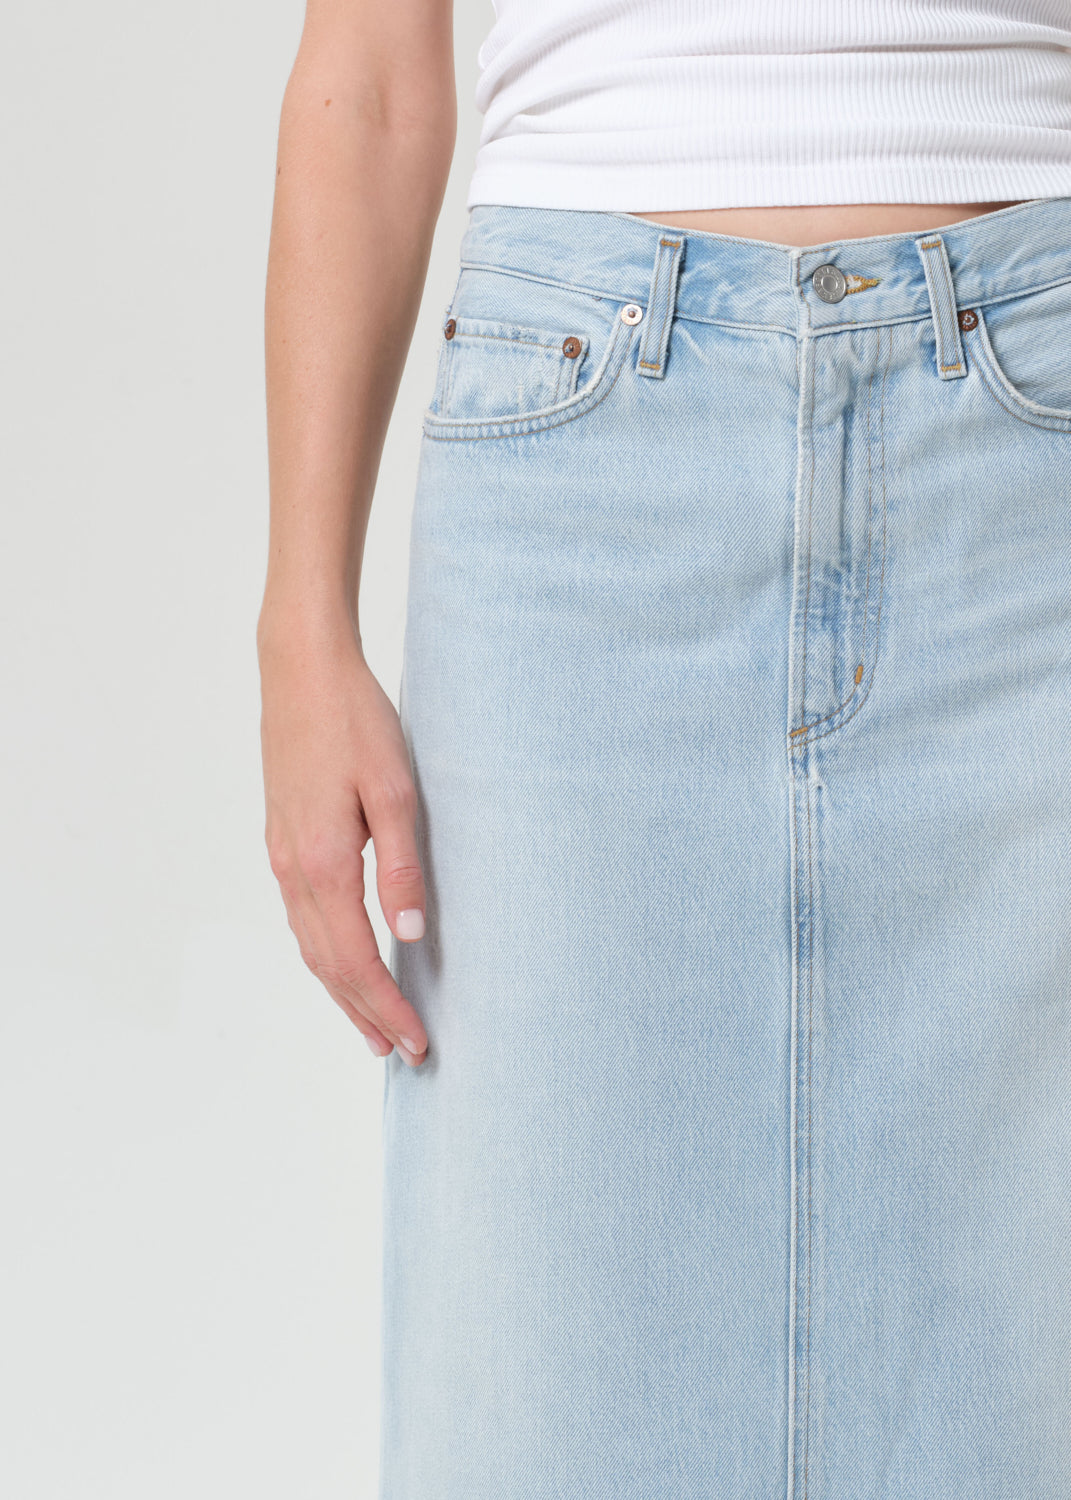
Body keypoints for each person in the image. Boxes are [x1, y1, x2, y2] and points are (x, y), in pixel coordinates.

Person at [258, 2, 1071, 1496]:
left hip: (1033, 455)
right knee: (543, 1370)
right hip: (580, 453)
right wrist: (301, 625)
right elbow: (368, 79)